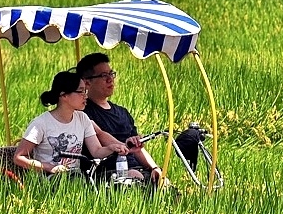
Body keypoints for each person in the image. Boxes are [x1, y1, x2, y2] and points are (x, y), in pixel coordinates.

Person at [76, 52, 200, 184]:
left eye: (111, 74)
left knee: (163, 182)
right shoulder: (82, 112)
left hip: (134, 168)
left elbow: (138, 148)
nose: (110, 79)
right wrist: (125, 147)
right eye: (103, 76)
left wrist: (154, 168)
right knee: (134, 177)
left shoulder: (122, 112)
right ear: (87, 82)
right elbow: (100, 135)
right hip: (107, 171)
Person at [12, 70, 136, 180]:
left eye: (85, 91)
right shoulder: (41, 123)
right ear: (64, 95)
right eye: (80, 92)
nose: (85, 96)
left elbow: (96, 151)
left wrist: (111, 148)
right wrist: (50, 168)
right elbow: (19, 157)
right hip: (48, 179)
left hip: (75, 178)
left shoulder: (82, 118)